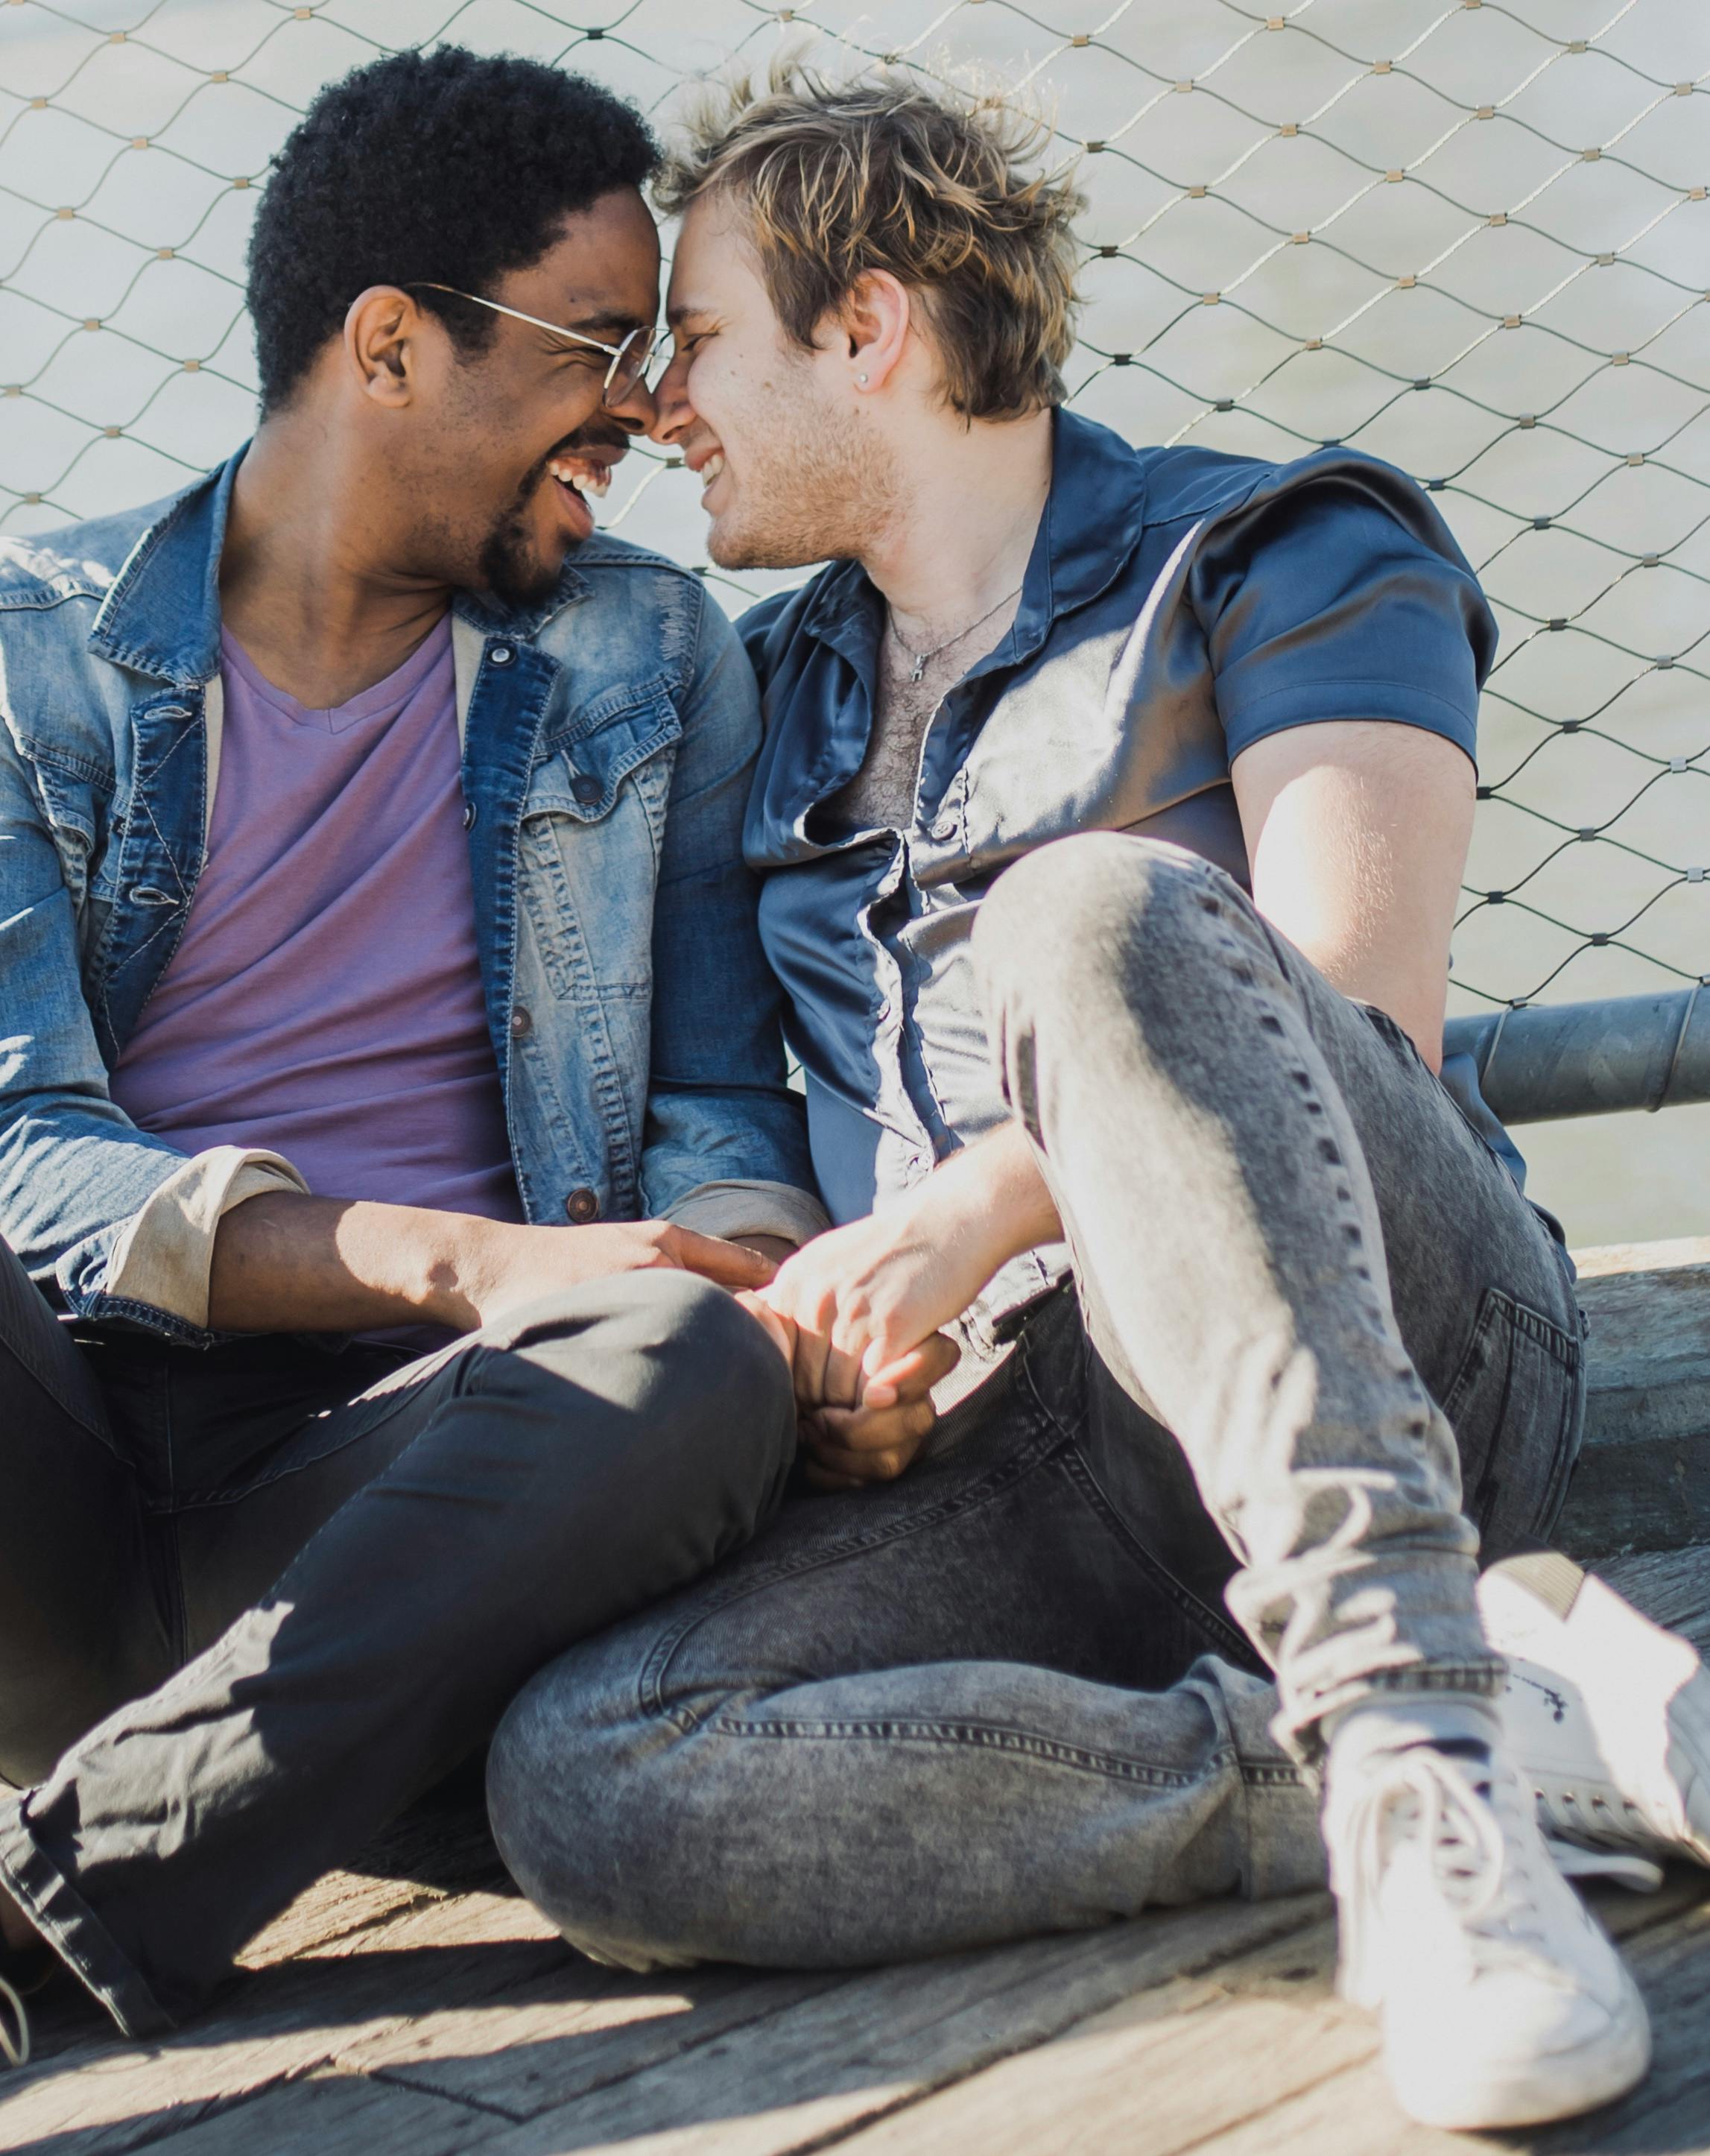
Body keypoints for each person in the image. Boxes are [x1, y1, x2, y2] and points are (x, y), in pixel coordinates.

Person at [485, 66, 1710, 2134]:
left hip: (1407, 1336)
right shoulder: (766, 689)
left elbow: (1363, 1016)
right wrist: (819, 1330)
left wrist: (988, 1202)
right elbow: (747, 1133)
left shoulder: (1281, 551)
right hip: (1039, 1440)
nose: (659, 403)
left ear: (866, 327)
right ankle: (1410, 1752)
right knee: (594, 1770)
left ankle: (1424, 1784)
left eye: (694, 338)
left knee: (1096, 913)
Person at [0, 45, 966, 2052]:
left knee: (693, 1352)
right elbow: (29, 1162)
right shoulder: (33, 664)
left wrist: (786, 1312)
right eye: (602, 342)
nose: (651, 405)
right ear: (388, 347)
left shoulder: (640, 650)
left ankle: (77, 1901)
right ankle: (283, 1782)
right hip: (65, 1480)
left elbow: (717, 1106)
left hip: (432, 1482)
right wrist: (474, 1256)